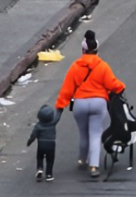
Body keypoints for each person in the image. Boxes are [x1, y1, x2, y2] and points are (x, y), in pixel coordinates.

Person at [55, 30, 125, 179]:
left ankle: (82, 159)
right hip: (99, 103)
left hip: (80, 103)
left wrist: (60, 106)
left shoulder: (75, 67)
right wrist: (121, 87)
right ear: (97, 50)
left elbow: (67, 89)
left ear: (83, 50)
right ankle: (94, 166)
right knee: (95, 134)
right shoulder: (103, 66)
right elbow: (113, 84)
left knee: (83, 133)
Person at [27, 103, 61, 182]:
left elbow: (33, 135)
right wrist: (60, 107)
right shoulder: (53, 122)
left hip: (41, 144)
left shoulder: (38, 125)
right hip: (51, 144)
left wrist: (29, 142)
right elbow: (58, 115)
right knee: (50, 160)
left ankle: (40, 168)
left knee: (39, 157)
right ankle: (49, 174)